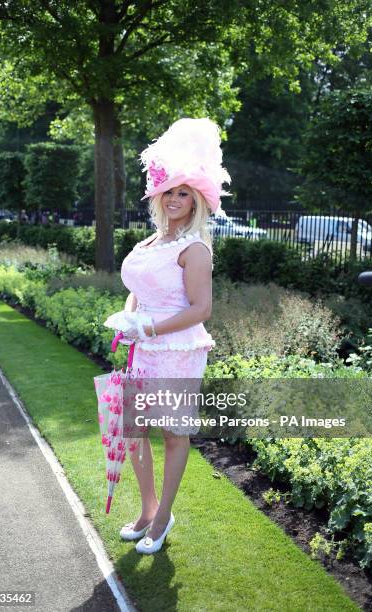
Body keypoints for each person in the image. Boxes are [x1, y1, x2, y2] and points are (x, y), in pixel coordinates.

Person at [113, 117, 231, 554]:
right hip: (143, 346)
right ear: (159, 196)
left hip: (178, 349)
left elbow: (201, 309)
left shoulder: (194, 248)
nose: (176, 199)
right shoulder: (150, 242)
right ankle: (148, 509)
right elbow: (136, 292)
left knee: (173, 435)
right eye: (171, 191)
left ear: (197, 199)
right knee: (132, 428)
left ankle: (162, 519)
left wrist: (150, 327)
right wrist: (128, 320)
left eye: (185, 193)